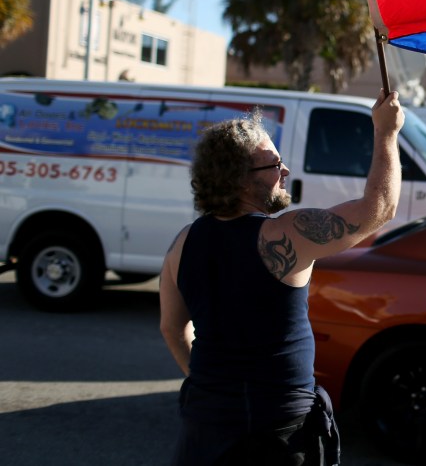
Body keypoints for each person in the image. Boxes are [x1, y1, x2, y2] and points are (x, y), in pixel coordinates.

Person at [159, 89, 403, 466]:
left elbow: (172, 330)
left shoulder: (183, 242)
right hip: (277, 436)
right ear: (240, 179)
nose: (285, 170)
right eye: (274, 164)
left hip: (205, 428)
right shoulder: (284, 233)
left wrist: (212, 386)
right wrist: (386, 133)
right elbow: (380, 208)